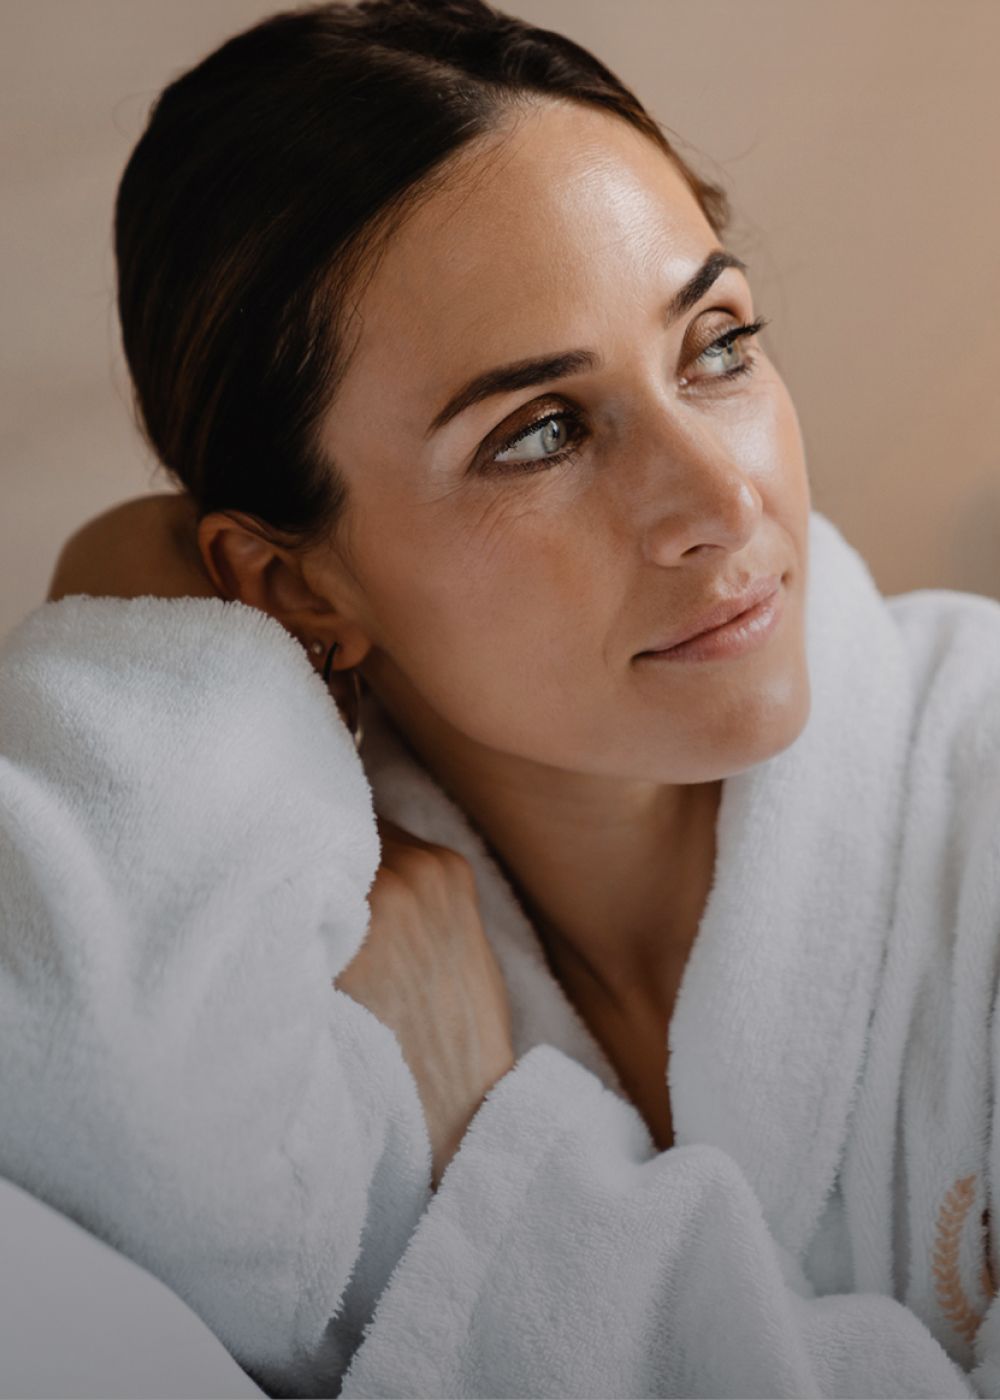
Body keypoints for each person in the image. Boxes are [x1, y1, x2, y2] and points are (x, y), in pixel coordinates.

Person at [3, 1, 1000, 1396]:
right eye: (539, 432)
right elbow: (96, 1139)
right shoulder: (296, 937)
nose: (724, 502)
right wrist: (129, 597)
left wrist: (486, 1139)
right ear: (293, 590)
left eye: (715, 343)